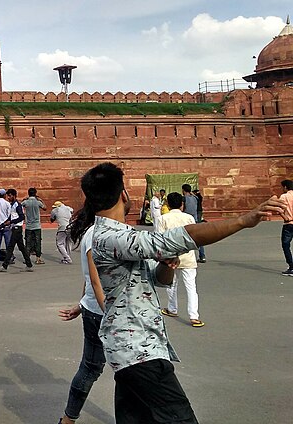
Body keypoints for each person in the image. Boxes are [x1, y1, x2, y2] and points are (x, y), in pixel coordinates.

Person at [86, 162, 289, 424]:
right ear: (123, 194)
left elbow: (159, 279)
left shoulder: (121, 236)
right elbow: (180, 237)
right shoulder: (110, 237)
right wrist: (242, 220)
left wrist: (165, 264)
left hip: (132, 352)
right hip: (138, 352)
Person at [57, 195, 107, 424]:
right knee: (131, 371)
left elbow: (89, 279)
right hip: (106, 312)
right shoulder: (106, 234)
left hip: (93, 309)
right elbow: (96, 281)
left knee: (90, 367)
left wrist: (82, 304)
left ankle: (67, 420)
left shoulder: (90, 233)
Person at [157, 193, 203, 327]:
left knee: (171, 285)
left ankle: (172, 308)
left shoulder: (163, 218)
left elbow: (160, 239)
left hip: (171, 257)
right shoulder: (189, 218)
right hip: (188, 256)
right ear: (182, 204)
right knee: (191, 287)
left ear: (168, 204)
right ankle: (194, 316)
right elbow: (195, 235)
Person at [0, 188, 33, 272]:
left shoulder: (17, 205)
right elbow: (11, 217)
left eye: (10, 196)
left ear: (14, 196)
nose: (8, 198)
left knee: (10, 247)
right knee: (22, 248)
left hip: (17, 228)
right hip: (14, 228)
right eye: (7, 196)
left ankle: (4, 266)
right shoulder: (12, 205)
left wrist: (11, 222)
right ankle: (29, 264)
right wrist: (2, 225)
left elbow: (21, 217)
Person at [22, 187, 46, 264]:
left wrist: (24, 199)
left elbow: (18, 205)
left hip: (28, 226)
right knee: (38, 242)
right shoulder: (38, 202)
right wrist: (41, 200)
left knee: (28, 243)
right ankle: (38, 258)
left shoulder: (26, 202)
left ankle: (27, 258)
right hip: (37, 226)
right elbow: (45, 208)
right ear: (35, 193)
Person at [182, 184, 205, 263]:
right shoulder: (195, 198)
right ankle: (202, 256)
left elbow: (182, 208)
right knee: (198, 238)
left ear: (183, 190)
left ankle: (184, 256)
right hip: (194, 220)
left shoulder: (184, 198)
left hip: (186, 220)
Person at [280, 179, 293, 276]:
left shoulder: (284, 196)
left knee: (286, 245)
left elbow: (279, 209)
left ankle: (291, 267)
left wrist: (285, 218)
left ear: (285, 187)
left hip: (289, 224)